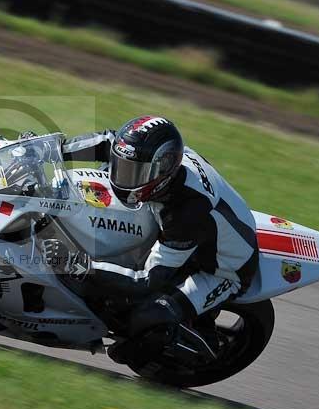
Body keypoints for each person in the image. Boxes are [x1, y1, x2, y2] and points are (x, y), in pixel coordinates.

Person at [39, 117, 259, 364]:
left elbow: (148, 279)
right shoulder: (155, 159)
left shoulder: (185, 212)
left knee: (146, 318)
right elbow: (107, 142)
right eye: (123, 167)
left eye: (134, 174)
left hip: (219, 269)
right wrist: (50, 150)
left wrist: (76, 265)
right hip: (191, 228)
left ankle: (198, 349)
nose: (121, 178)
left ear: (162, 172)